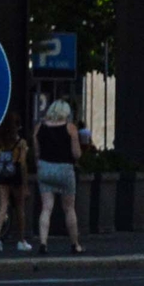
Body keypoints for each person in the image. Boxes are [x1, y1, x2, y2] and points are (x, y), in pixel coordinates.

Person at [34, 100, 83, 254]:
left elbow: (36, 152)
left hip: (45, 168)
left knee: (46, 208)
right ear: (66, 112)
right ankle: (75, 244)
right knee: (69, 209)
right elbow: (76, 154)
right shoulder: (70, 128)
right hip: (65, 170)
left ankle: (43, 243)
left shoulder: (39, 128)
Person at [0, 125, 31, 252]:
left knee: (3, 206)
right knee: (20, 208)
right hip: (16, 174)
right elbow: (22, 163)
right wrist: (26, 184)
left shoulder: (0, 140)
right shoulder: (21, 142)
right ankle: (22, 240)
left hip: (4, 175)